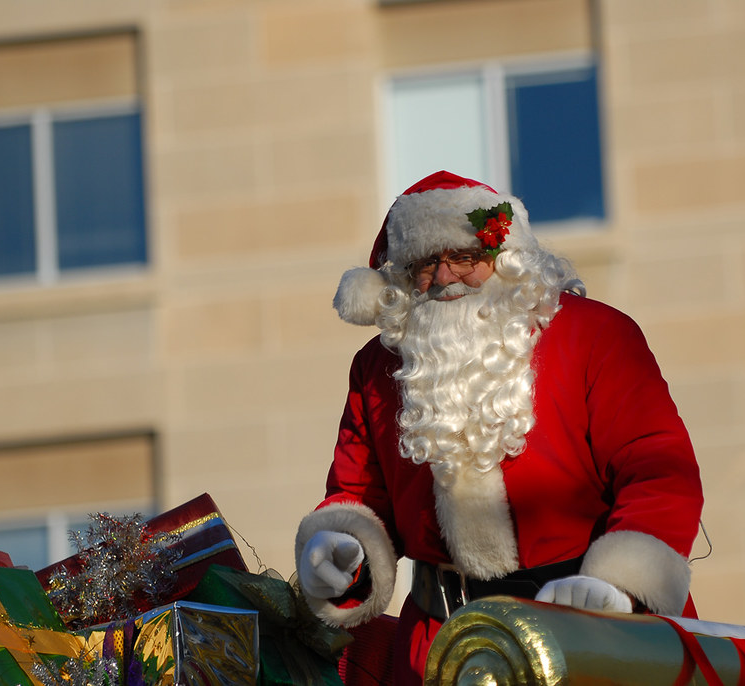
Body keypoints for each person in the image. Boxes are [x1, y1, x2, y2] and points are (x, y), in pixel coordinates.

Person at [295, 171, 704, 684]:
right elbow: (358, 493)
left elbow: (659, 472)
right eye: (425, 264)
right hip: (443, 649)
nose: (445, 278)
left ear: (506, 258)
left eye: (466, 257)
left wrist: (620, 586)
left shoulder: (596, 335)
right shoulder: (378, 369)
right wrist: (340, 549)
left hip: (594, 633)